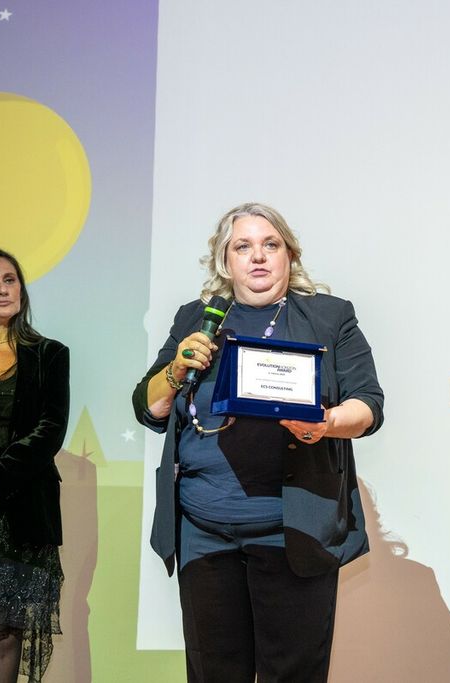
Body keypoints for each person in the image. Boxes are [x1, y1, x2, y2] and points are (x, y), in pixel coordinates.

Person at [132, 202, 384, 682]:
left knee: (290, 673)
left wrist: (327, 422)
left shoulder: (329, 317)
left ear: (290, 254)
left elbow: (368, 405)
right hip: (204, 532)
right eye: (242, 247)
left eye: (271, 244)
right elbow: (148, 407)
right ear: (225, 261)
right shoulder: (196, 318)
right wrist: (176, 369)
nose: (258, 256)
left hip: (291, 533)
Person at [0, 248, 69, 683]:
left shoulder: (50, 354)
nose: (3, 290)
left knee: (3, 636)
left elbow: (48, 432)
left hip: (20, 514)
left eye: (10, 280)